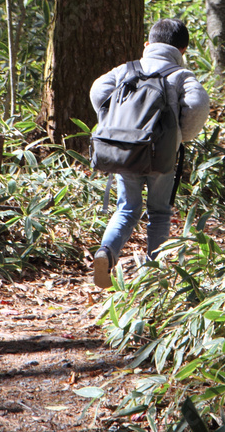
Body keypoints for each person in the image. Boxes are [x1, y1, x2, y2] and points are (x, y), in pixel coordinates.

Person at [90, 17, 210, 288]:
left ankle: (105, 252)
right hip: (162, 157)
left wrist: (114, 123)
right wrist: (182, 135)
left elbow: (98, 90)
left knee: (127, 208)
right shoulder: (180, 75)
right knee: (159, 212)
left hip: (126, 152)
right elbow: (199, 105)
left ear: (148, 44)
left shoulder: (127, 69)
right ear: (183, 51)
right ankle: (154, 274)